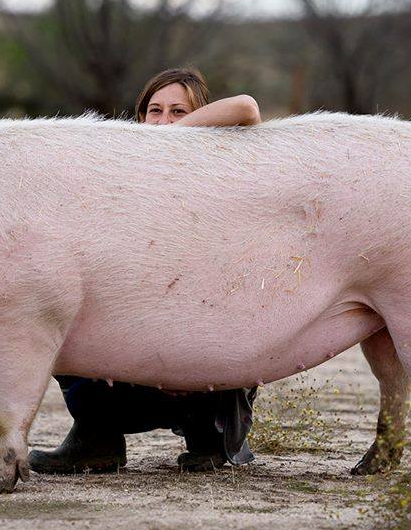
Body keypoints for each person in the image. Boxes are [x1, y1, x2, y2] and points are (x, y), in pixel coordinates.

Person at [28, 67, 262, 474]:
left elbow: (246, 107)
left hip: (203, 371)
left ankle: (209, 436)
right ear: (139, 119)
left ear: (202, 116)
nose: (164, 120)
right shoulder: (119, 184)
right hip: (132, 369)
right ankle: (95, 438)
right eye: (154, 111)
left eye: (179, 110)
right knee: (58, 315)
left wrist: (169, 139)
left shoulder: (220, 177)